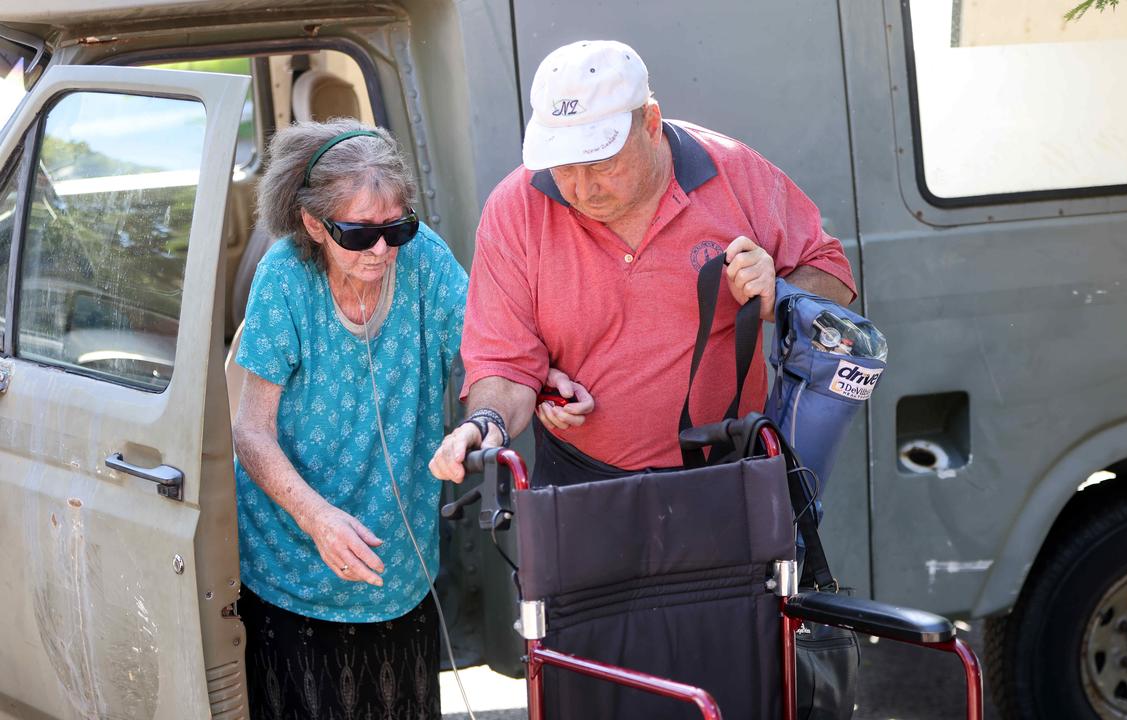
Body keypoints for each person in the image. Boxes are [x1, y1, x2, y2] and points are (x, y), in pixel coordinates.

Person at [429, 40, 855, 486]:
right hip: (580, 480)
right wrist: (486, 421)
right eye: (564, 167)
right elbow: (504, 362)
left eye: (601, 163)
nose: (581, 189)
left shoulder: (731, 171)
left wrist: (777, 296)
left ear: (651, 124)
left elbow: (832, 275)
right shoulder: (514, 208)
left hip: (729, 470)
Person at [232, 118, 467, 719]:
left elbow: (487, 352)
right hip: (291, 563)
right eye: (359, 234)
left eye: (397, 228)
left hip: (396, 560)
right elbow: (250, 431)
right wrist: (317, 518)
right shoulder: (285, 276)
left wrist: (539, 383)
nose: (383, 249)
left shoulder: (425, 261)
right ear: (314, 225)